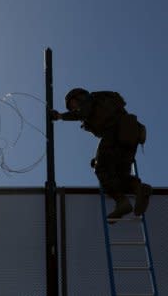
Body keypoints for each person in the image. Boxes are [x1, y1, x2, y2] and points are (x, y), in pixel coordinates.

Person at [51, 88, 152, 222]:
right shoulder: (102, 100)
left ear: (78, 97)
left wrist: (60, 116)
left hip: (115, 132)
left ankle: (122, 202)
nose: (73, 108)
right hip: (130, 134)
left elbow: (83, 113)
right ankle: (139, 189)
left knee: (101, 169)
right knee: (120, 175)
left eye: (73, 104)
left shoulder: (89, 100)